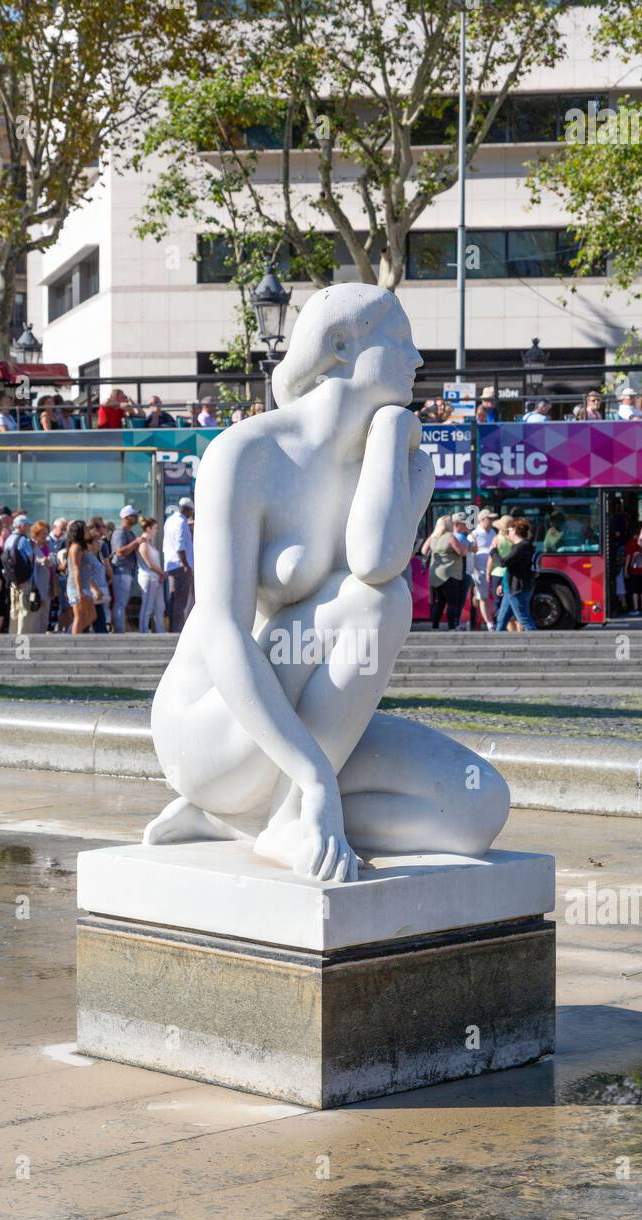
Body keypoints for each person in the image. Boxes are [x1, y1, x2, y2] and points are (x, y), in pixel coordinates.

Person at [142, 281, 509, 874]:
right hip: (213, 729)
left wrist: (393, 435)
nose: (419, 359)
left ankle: (259, 819)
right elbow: (222, 631)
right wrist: (314, 773)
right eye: (402, 339)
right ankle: (291, 812)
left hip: (299, 729)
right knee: (378, 603)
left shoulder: (392, 460)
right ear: (341, 344)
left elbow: (374, 558)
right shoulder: (245, 454)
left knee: (475, 809)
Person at [421, 515, 468, 631]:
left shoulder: (433, 537)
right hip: (450, 573)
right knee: (452, 602)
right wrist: (465, 546)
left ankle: (435, 626)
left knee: (440, 602)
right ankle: (451, 627)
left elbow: (423, 550)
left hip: (435, 574)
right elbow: (461, 552)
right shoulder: (450, 537)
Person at [495, 518, 537, 631]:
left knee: (524, 619)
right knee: (501, 619)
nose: (508, 532)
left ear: (515, 530)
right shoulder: (519, 546)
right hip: (510, 589)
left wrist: (494, 552)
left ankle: (536, 644)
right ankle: (496, 646)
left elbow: (504, 563)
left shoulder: (522, 547)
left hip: (517, 589)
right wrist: (502, 584)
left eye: (509, 530)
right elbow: (511, 568)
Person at [3, 514, 39, 635]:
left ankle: (12, 635)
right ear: (22, 526)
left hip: (13, 580)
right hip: (25, 580)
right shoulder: (23, 540)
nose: (28, 528)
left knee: (14, 608)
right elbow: (30, 557)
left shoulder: (8, 539)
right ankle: (21, 636)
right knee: (25, 609)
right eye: (27, 525)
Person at [163, 498, 194, 634]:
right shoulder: (182, 523)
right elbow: (180, 546)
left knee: (174, 598)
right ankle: (178, 630)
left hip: (171, 565)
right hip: (181, 565)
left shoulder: (170, 521)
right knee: (181, 600)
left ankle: (172, 628)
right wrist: (186, 564)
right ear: (188, 510)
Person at [109, 504, 139, 632]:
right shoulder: (119, 533)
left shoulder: (130, 532)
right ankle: (119, 630)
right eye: (133, 515)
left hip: (127, 572)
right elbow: (120, 551)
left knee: (123, 602)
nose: (136, 518)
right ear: (126, 517)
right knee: (120, 603)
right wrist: (136, 542)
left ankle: (121, 628)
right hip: (120, 571)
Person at [66, 520, 99, 633]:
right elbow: (76, 569)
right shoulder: (76, 548)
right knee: (79, 616)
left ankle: (73, 634)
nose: (87, 531)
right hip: (77, 587)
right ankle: (72, 639)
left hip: (84, 586)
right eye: (85, 529)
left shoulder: (81, 547)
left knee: (92, 615)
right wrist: (79, 591)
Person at [469, 508, 498, 629]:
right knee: (484, 597)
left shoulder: (493, 532)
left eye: (492, 519)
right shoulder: (474, 534)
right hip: (479, 571)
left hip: (492, 570)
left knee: (487, 597)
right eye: (489, 519)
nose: (491, 521)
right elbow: (470, 554)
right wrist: (473, 572)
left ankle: (487, 620)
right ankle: (490, 623)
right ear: (482, 520)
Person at [137, 517, 167, 632]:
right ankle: (143, 631)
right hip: (148, 578)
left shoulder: (150, 543)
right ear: (148, 528)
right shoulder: (143, 543)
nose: (156, 530)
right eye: (154, 528)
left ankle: (160, 630)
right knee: (147, 606)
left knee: (160, 606)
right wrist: (162, 573)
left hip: (156, 578)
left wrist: (160, 574)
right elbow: (149, 564)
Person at [487, 514, 517, 630]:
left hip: (497, 573)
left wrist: (488, 573)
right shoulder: (513, 540)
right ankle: (510, 625)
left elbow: (491, 558)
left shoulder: (496, 540)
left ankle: (501, 625)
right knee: (510, 600)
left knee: (497, 601)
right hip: (509, 573)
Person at [28, 521, 54, 633]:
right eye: (43, 533)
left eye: (46, 533)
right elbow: (32, 560)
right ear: (36, 533)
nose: (45, 536)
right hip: (36, 583)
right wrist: (41, 561)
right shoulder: (31, 545)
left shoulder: (49, 544)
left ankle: (42, 634)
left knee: (45, 611)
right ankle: (34, 635)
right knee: (35, 610)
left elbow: (54, 558)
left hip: (48, 581)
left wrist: (51, 560)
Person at [86, 527, 111, 632]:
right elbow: (86, 575)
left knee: (97, 622)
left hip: (98, 595)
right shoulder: (87, 557)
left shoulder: (96, 556)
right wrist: (95, 589)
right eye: (96, 541)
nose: (99, 544)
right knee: (90, 622)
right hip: (92, 594)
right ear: (89, 544)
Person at [451, 511, 474, 629]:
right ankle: (455, 622)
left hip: (464, 572)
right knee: (458, 599)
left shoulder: (462, 536)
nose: (466, 526)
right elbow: (466, 551)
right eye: (463, 524)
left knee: (460, 599)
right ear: (456, 524)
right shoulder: (456, 537)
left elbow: (474, 548)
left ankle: (456, 621)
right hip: (460, 572)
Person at [624, 526, 642, 615]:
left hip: (634, 570)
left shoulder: (631, 543)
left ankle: (635, 609)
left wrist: (625, 570)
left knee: (634, 590)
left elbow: (628, 557)